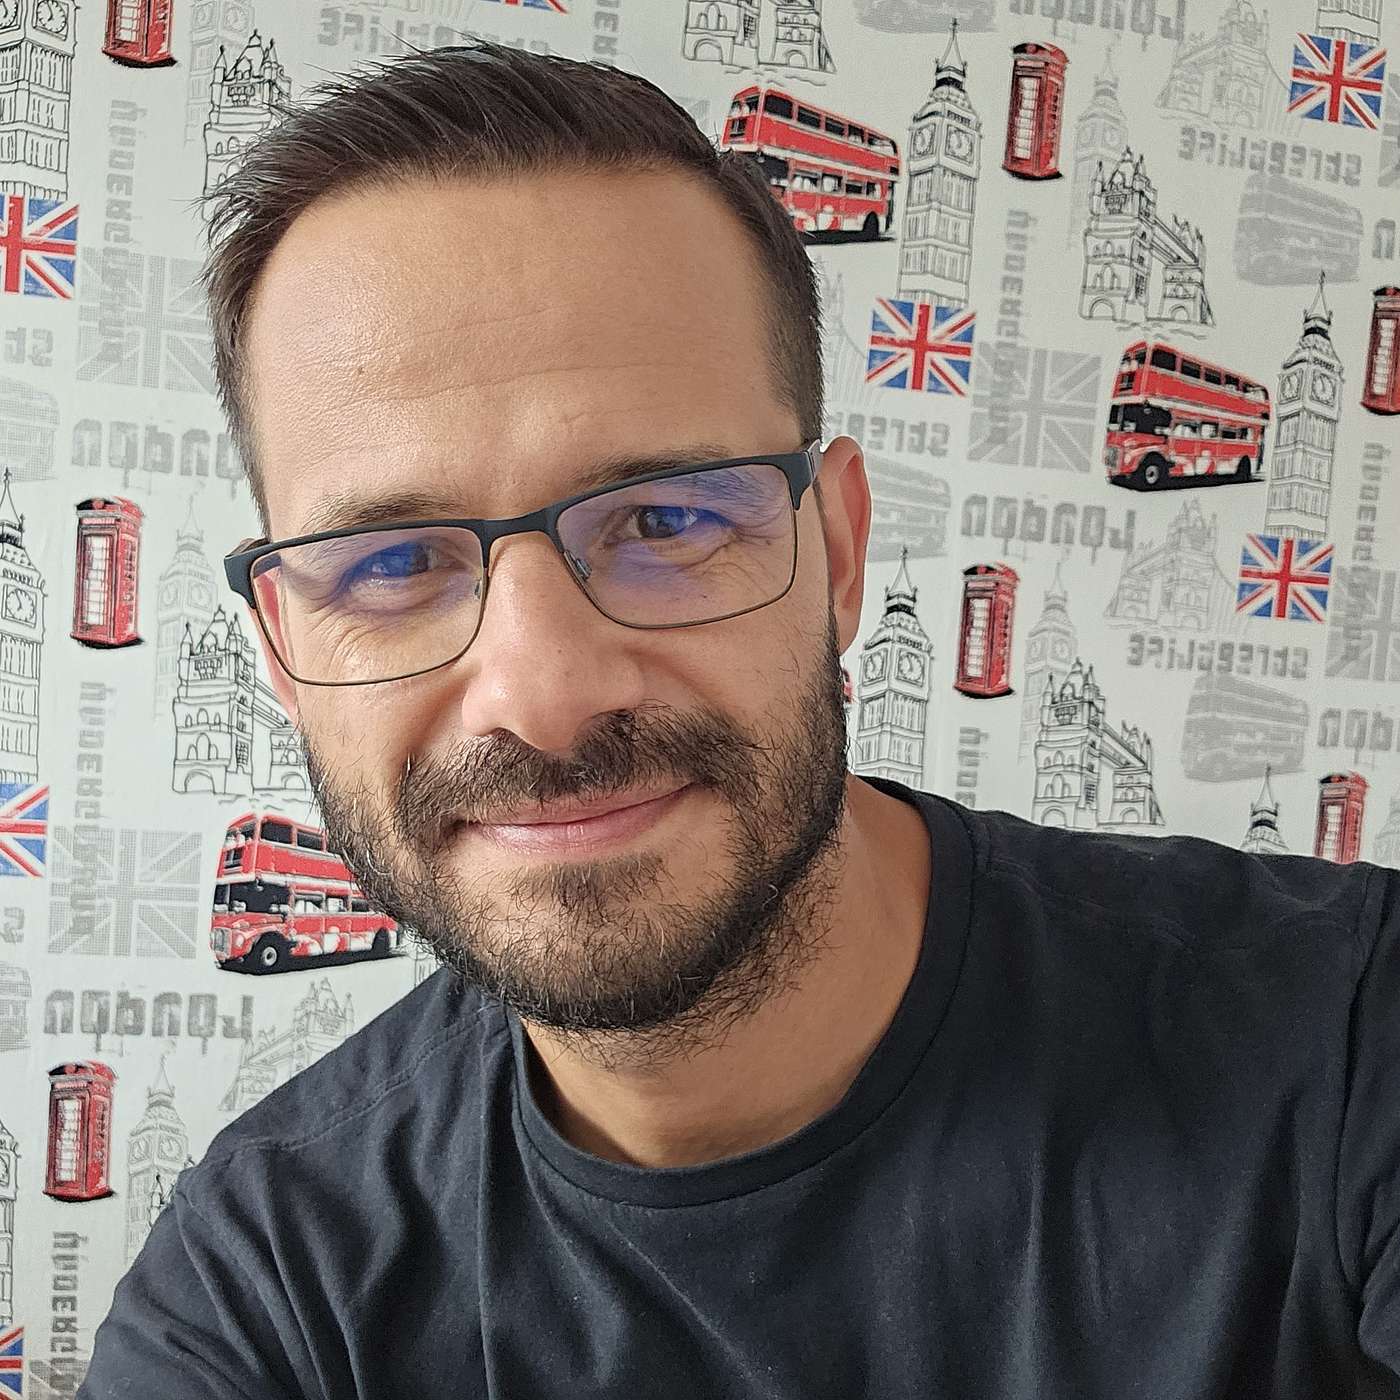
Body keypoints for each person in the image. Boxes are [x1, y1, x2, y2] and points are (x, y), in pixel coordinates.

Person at [79, 42, 1400, 1399]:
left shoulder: (1350, 1040)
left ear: (840, 556)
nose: (543, 696)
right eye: (394, 563)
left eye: (665, 520)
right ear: (285, 653)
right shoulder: (263, 1284)